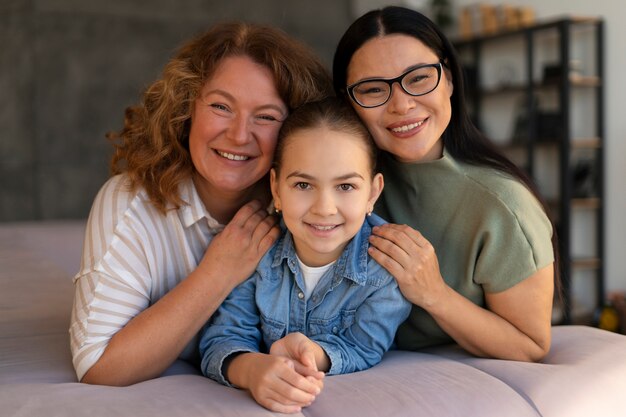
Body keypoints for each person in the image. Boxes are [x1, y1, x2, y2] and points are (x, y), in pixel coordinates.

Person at [69, 22, 333, 386]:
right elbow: (99, 368)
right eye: (221, 106)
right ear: (185, 109)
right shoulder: (131, 202)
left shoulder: (314, 205)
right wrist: (219, 272)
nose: (239, 135)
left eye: (267, 116)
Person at [332, 6, 557, 362]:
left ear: (448, 79)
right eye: (373, 89)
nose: (402, 105)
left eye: (419, 78)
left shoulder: (503, 205)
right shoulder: (334, 186)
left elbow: (530, 345)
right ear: (349, 103)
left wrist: (434, 293)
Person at [198, 97, 411, 414]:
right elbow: (223, 339)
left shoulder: (385, 267)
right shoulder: (255, 251)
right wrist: (254, 369)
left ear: (373, 193)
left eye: (346, 187)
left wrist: (313, 354)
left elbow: (364, 346)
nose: (324, 208)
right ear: (276, 188)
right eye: (302, 184)